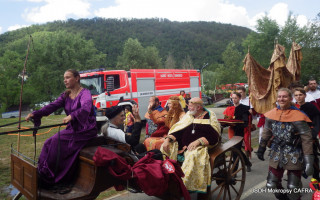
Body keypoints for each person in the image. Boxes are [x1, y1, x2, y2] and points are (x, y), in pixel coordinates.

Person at [25, 69, 97, 192]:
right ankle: (43, 173)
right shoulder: (66, 95)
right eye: (64, 78)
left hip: (85, 129)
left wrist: (73, 115)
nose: (65, 80)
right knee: (48, 143)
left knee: (56, 143)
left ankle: (56, 179)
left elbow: (86, 107)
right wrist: (35, 114)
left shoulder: (85, 93)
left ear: (77, 78)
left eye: (68, 77)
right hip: (73, 129)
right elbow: (51, 106)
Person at [256, 88, 314, 200]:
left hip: (294, 153)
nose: (281, 99)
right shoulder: (271, 114)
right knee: (271, 184)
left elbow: (306, 138)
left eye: (284, 96)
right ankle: (282, 198)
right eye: (279, 97)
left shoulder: (298, 115)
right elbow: (266, 132)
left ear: (290, 99)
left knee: (293, 187)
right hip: (276, 151)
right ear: (276, 98)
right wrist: (261, 148)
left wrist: (309, 162)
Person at [161, 97, 220, 196]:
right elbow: (179, 130)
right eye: (188, 105)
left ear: (199, 107)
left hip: (200, 145)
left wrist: (198, 141)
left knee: (193, 154)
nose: (188, 108)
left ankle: (184, 185)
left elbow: (214, 136)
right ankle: (168, 178)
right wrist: (168, 139)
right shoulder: (189, 116)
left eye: (191, 106)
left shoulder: (209, 116)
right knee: (164, 147)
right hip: (183, 145)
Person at [294, 88, 320, 180]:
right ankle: (296, 181)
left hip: (309, 136)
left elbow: (317, 122)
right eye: (296, 95)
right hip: (296, 137)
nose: (298, 97)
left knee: (312, 159)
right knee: (295, 159)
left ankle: (316, 178)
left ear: (305, 95)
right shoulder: (293, 108)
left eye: (300, 95)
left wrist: (312, 135)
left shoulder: (311, 107)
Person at [228, 92, 252, 172]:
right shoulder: (229, 108)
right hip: (231, 131)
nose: (234, 100)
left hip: (240, 132)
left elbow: (245, 122)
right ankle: (247, 163)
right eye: (233, 98)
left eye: (236, 98)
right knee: (236, 150)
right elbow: (227, 119)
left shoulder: (244, 108)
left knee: (236, 150)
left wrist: (237, 124)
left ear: (239, 98)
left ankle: (234, 171)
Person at [236, 86, 254, 159]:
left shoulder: (249, 101)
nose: (239, 94)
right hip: (237, 124)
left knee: (246, 140)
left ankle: (247, 156)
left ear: (244, 92)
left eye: (241, 92)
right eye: (238, 93)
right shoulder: (237, 100)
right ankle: (248, 149)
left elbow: (251, 112)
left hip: (246, 123)